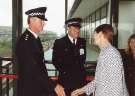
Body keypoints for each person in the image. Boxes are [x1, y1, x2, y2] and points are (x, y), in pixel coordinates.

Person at [16, 7, 65, 96]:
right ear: (32, 20)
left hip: (37, 87)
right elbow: (33, 69)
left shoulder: (35, 38)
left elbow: (39, 66)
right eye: (41, 21)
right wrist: (53, 85)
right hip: (29, 90)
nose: (44, 23)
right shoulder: (25, 41)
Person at [71, 24, 129, 96]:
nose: (93, 37)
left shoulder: (111, 54)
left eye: (94, 34)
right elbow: (98, 80)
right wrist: (81, 90)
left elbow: (116, 87)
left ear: (100, 34)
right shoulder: (104, 52)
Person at [52, 17, 87, 96]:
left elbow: (83, 58)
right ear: (68, 28)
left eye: (78, 28)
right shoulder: (59, 43)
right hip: (66, 81)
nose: (77, 31)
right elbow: (55, 61)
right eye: (74, 28)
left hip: (80, 81)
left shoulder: (82, 41)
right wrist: (65, 72)